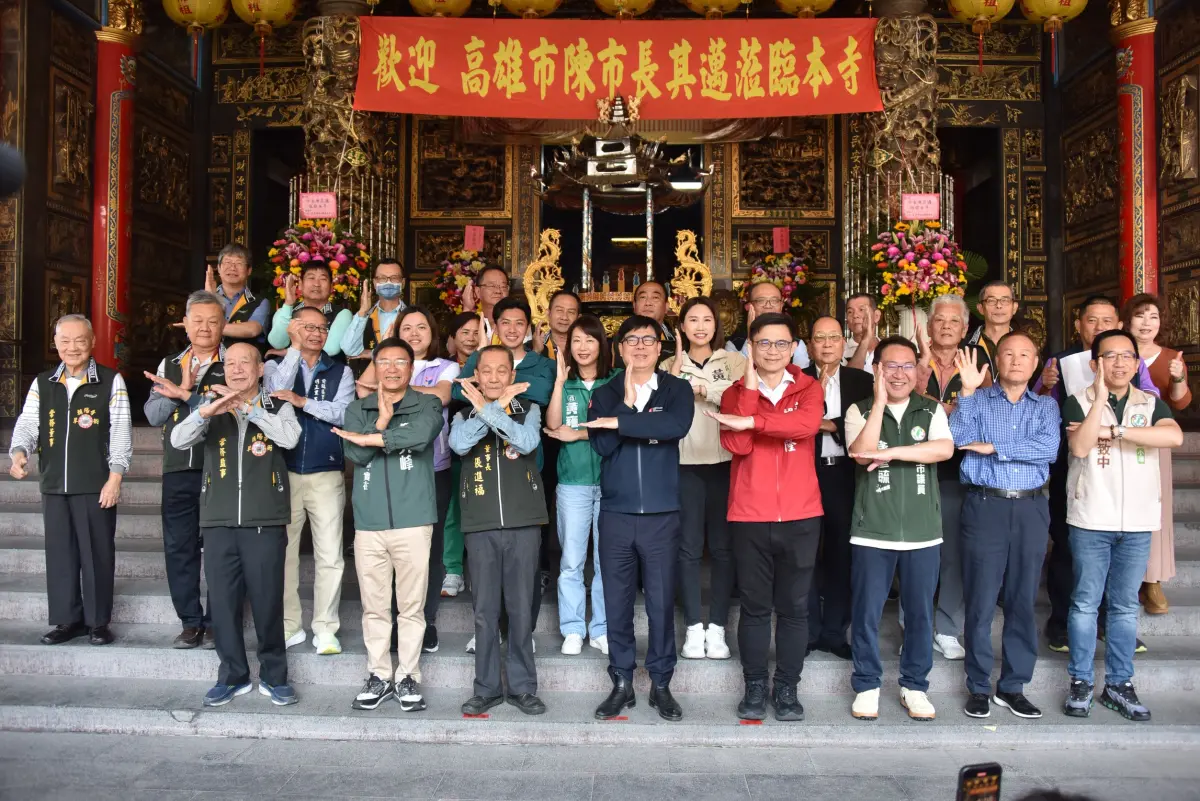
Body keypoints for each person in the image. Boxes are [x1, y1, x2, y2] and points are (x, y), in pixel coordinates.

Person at [170, 342, 302, 707]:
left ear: (260, 370)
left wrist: (248, 408)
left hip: (265, 521)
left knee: (267, 602)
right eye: (230, 363)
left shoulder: (277, 404)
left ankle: (274, 676)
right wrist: (204, 413)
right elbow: (178, 440)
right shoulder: (209, 405)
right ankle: (232, 675)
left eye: (246, 363)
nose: (237, 369)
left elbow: (290, 438)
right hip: (218, 520)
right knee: (224, 604)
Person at [1061, 330, 1183, 722]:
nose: (1120, 363)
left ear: (1136, 363)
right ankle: (1080, 681)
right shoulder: (1077, 401)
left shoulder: (1150, 402)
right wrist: (1099, 401)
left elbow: (1173, 436)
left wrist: (1116, 431)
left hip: (1137, 521)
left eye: (1127, 356)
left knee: (1125, 605)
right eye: (1110, 356)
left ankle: (1118, 683)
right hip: (1091, 517)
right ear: (1094, 363)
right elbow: (1080, 446)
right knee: (1085, 602)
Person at [710, 312, 823, 721]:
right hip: (750, 514)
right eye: (763, 343)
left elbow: (806, 425)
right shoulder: (733, 393)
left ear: (794, 348)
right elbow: (738, 445)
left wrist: (753, 421)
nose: (772, 351)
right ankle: (755, 684)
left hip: (801, 514)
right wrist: (750, 396)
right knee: (755, 607)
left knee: (794, 608)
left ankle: (788, 688)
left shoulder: (809, 388)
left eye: (781, 343)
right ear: (751, 348)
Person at [584, 315, 695, 722]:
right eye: (632, 340)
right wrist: (628, 407)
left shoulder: (677, 389)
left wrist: (621, 423)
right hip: (616, 513)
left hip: (661, 515)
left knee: (661, 604)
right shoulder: (606, 392)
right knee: (617, 603)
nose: (641, 346)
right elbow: (602, 445)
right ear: (619, 348)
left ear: (659, 347)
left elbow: (674, 426)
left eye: (648, 339)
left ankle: (661, 683)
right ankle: (622, 682)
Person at [1035, 294, 1160, 653]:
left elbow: (1152, 403)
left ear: (1118, 325)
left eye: (1106, 321)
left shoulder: (1130, 361)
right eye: (1091, 320)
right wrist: (1045, 384)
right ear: (1078, 325)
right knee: (1067, 545)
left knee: (1118, 552)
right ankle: (1061, 623)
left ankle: (1111, 624)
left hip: (1123, 468)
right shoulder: (1060, 361)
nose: (1098, 327)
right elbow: (1042, 408)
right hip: (1073, 464)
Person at [950, 334, 1060, 720]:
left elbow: (1048, 449)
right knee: (981, 600)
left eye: (1024, 354)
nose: (1016, 360)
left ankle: (1013, 686)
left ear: (1035, 363)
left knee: (1022, 600)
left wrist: (995, 447)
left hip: (1031, 507)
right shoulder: (977, 400)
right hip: (986, 504)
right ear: (996, 361)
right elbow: (958, 438)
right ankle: (979, 686)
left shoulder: (1046, 406)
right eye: (1008, 354)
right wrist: (965, 392)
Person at [845, 335, 955, 721]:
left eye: (908, 366)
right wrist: (878, 404)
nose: (899, 373)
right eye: (890, 366)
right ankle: (867, 685)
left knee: (921, 613)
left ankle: (915, 686)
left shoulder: (930, 410)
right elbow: (861, 454)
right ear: (877, 369)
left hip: (923, 531)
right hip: (872, 529)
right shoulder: (859, 409)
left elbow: (943, 449)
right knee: (867, 611)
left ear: (917, 371)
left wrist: (891, 452)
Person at [332, 337, 445, 712]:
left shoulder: (426, 404)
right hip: (369, 523)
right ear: (375, 368)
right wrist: (380, 422)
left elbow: (420, 435)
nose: (392, 369)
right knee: (374, 607)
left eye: (400, 362)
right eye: (384, 362)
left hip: (414, 521)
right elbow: (354, 453)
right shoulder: (357, 409)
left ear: (411, 368)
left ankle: (408, 675)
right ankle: (379, 675)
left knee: (411, 607)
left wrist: (371, 438)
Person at [8, 314, 132, 646]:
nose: (72, 347)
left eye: (80, 340)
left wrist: (115, 477)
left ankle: (98, 623)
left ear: (92, 342)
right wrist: (19, 452)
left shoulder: (110, 380)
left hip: (95, 484)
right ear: (56, 344)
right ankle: (68, 620)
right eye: (65, 341)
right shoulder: (43, 382)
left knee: (97, 554)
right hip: (54, 484)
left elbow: (121, 431)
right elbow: (28, 423)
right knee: (60, 554)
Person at [449, 345, 549, 716]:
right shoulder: (461, 414)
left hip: (523, 522)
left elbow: (527, 442)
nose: (493, 377)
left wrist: (493, 409)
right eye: (486, 371)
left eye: (501, 371)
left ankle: (523, 688)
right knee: (484, 610)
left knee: (521, 608)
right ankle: (487, 688)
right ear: (476, 376)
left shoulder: (530, 409)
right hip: (480, 523)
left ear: (512, 375)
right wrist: (487, 410)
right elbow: (460, 444)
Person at [453, 297, 555, 650]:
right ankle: (489, 632)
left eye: (519, 322)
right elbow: (458, 398)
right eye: (505, 322)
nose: (512, 328)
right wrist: (494, 403)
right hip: (483, 493)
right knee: (486, 570)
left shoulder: (537, 380)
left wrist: (488, 404)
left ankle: (521, 635)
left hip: (523, 483)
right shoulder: (468, 399)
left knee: (524, 572)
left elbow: (530, 426)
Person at [263, 306, 354, 655]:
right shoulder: (274, 365)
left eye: (322, 328)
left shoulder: (340, 370)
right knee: (284, 553)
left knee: (330, 553)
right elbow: (274, 395)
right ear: (294, 328)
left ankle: (326, 628)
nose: (316, 333)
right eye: (308, 327)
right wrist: (294, 350)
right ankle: (290, 624)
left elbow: (343, 413)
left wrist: (303, 402)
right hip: (283, 470)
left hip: (326, 470)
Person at [143, 291, 228, 649]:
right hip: (179, 469)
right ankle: (190, 622)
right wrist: (180, 389)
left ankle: (219, 621)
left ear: (224, 325)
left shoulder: (235, 362)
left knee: (222, 549)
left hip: (222, 469)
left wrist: (188, 397)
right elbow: (152, 416)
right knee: (180, 547)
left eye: (213, 321)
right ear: (186, 324)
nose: (205, 328)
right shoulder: (169, 364)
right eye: (198, 321)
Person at [664, 296, 746, 660]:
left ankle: (718, 627)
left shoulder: (734, 362)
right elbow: (662, 403)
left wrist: (701, 390)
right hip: (684, 465)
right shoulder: (668, 363)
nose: (700, 326)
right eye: (693, 320)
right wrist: (677, 375)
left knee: (725, 548)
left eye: (707, 319)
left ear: (717, 325)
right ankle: (694, 628)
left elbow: (741, 399)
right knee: (688, 548)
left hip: (726, 464)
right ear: (682, 326)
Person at [904, 293, 984, 662]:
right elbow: (904, 406)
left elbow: (983, 413)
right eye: (940, 320)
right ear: (929, 326)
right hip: (914, 469)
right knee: (915, 553)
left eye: (954, 321)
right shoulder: (913, 360)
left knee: (953, 554)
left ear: (965, 328)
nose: (947, 326)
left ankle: (947, 627)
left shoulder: (977, 362)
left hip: (959, 472)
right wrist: (951, 405)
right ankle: (913, 628)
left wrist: (941, 406)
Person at [802, 315, 874, 659]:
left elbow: (870, 426)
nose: (827, 344)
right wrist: (816, 422)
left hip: (845, 475)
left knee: (842, 554)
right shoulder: (796, 379)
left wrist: (829, 424)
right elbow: (790, 424)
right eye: (820, 338)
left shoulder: (861, 381)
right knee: (803, 554)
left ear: (844, 343)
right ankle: (808, 631)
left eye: (833, 337)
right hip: (804, 474)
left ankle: (834, 631)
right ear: (809, 345)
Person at [543, 315, 613, 656]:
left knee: (605, 560)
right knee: (571, 560)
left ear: (601, 344)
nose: (583, 347)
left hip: (611, 481)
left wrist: (581, 434)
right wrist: (559, 382)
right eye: (576, 341)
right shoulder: (566, 383)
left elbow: (623, 426)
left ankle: (601, 627)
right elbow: (553, 424)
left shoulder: (615, 381)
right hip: (572, 482)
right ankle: (572, 628)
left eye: (590, 340)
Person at [1121, 293, 1192, 615]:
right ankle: (1124, 576)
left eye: (1154, 317)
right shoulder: (1116, 352)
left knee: (1156, 510)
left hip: (1154, 442)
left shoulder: (1171, 357)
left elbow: (1180, 401)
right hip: (1118, 439)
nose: (1147, 323)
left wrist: (1178, 377)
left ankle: (1153, 579)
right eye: (1140, 315)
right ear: (1127, 320)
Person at [397, 307, 461, 653]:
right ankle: (398, 621)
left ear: (432, 333)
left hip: (434, 467)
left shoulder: (446, 366)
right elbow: (365, 393)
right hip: (392, 469)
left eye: (421, 327)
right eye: (407, 327)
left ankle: (427, 620)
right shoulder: (385, 361)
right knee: (396, 548)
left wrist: (396, 389)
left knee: (431, 547)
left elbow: (444, 395)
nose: (414, 333)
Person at [440, 311, 483, 597]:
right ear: (452, 338)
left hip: (487, 449)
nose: (471, 338)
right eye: (464, 332)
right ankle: (453, 570)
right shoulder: (444, 368)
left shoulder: (494, 365)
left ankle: (481, 572)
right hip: (453, 449)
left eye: (477, 332)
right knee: (454, 511)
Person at [267, 262, 354, 357]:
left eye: (323, 279)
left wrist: (287, 352)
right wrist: (288, 304)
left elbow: (329, 350)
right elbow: (278, 343)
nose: (316, 284)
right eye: (311, 278)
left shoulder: (342, 314)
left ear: (331, 287)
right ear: (300, 284)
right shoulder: (285, 311)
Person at [724, 280, 810, 368]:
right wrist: (750, 336)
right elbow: (736, 373)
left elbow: (800, 375)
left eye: (774, 300)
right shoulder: (734, 344)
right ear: (749, 306)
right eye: (761, 300)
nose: (768, 306)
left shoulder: (796, 344)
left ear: (781, 305)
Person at [340, 257, 408, 363]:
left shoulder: (411, 316)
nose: (388, 282)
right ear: (375, 283)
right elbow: (349, 350)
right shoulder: (364, 316)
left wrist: (373, 353)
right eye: (382, 278)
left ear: (403, 283)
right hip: (369, 373)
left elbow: (417, 350)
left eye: (394, 278)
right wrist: (363, 311)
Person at [206, 243, 270, 351]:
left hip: (242, 360)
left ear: (249, 270)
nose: (232, 268)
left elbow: (252, 330)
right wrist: (209, 298)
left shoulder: (259, 302)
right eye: (227, 262)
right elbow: (193, 333)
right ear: (219, 268)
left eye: (239, 263)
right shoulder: (201, 298)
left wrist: (208, 327)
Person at [966, 280, 1019, 371]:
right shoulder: (965, 345)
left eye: (1005, 300)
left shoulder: (1026, 345)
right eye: (991, 301)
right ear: (980, 308)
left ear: (1014, 307)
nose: (998, 305)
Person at [620, 281, 677, 362]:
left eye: (655, 297)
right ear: (634, 305)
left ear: (667, 306)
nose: (648, 303)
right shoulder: (621, 337)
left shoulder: (676, 338)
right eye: (643, 297)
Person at [458, 264, 513, 346]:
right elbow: (452, 348)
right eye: (491, 285)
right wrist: (467, 309)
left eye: (503, 286)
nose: (498, 291)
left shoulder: (518, 321)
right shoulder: (474, 320)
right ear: (478, 291)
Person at [533, 289, 582, 360]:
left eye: (571, 312)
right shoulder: (531, 347)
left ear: (578, 318)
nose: (564, 317)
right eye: (559, 310)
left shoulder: (587, 347)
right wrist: (536, 352)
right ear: (548, 314)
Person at [844, 293, 881, 371]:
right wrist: (865, 340)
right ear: (847, 321)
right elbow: (850, 377)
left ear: (876, 316)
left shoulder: (889, 349)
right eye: (850, 312)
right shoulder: (839, 353)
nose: (855, 315)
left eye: (861, 310)